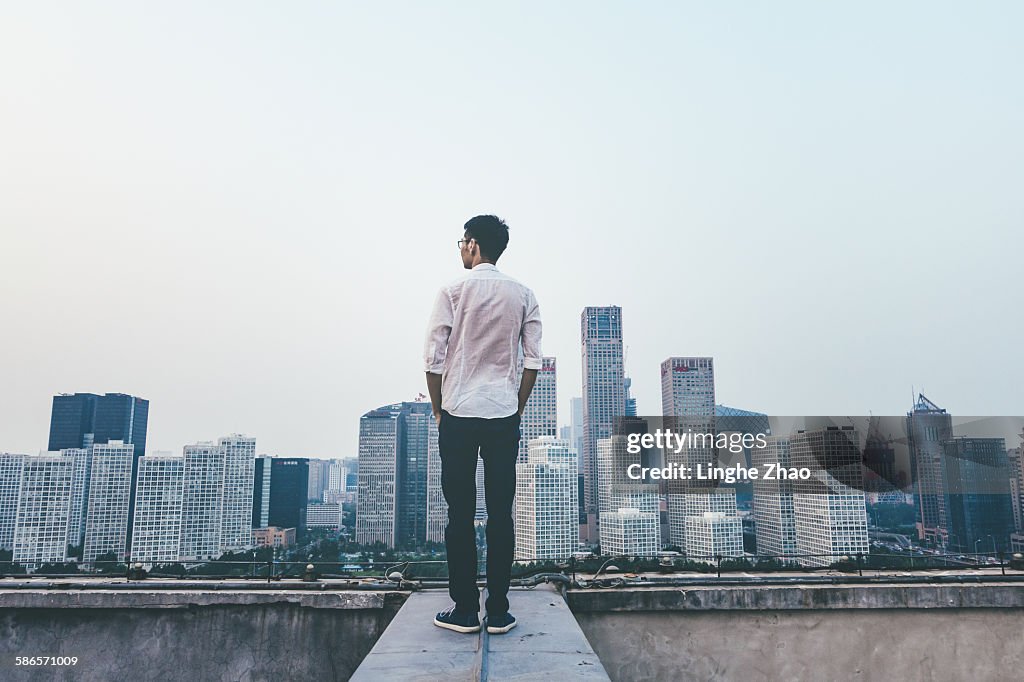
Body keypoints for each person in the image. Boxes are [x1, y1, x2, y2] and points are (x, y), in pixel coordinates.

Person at [423, 214, 542, 635]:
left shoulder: (452, 291)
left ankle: (464, 610)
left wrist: (438, 410)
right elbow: (533, 361)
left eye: (461, 242)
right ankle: (498, 612)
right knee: (500, 516)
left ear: (473, 245)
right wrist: (517, 405)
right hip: (502, 415)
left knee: (460, 514)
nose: (460, 248)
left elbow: (434, 359)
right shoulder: (524, 294)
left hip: (458, 413)